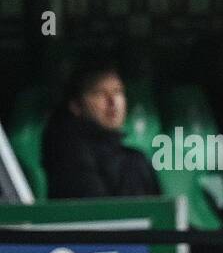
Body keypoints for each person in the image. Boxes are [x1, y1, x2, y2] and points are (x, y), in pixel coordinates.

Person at [41, 63, 160, 200]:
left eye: (118, 92)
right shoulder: (67, 151)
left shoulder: (134, 159)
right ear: (76, 106)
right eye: (99, 93)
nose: (112, 101)